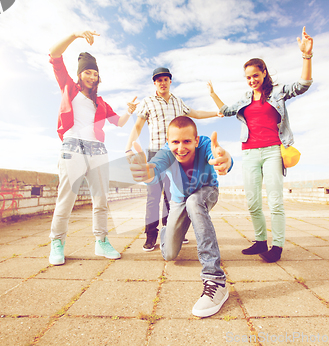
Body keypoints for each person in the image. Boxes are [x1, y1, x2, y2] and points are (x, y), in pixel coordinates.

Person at [207, 26, 314, 263]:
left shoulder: (278, 92)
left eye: (255, 75)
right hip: (250, 153)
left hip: (273, 151)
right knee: (253, 201)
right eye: (248, 77)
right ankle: (260, 240)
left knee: (275, 200)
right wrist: (213, 93)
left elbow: (303, 85)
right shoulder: (246, 99)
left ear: (264, 72)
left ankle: (277, 246)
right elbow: (225, 111)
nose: (252, 80)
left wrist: (306, 55)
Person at [48, 30, 138, 265]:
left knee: (101, 200)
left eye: (95, 73)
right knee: (66, 199)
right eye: (88, 72)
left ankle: (101, 241)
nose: (92, 76)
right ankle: (57, 243)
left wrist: (129, 110)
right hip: (73, 148)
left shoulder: (101, 102)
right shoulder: (69, 87)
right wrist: (75, 35)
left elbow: (118, 122)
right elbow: (54, 54)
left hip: (98, 150)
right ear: (79, 75)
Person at [129, 116, 233, 318]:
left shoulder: (205, 145)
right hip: (178, 200)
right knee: (169, 254)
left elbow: (221, 156)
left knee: (195, 202)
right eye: (175, 142)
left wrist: (226, 160)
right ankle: (169, 232)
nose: (181, 148)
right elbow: (154, 168)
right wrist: (145, 171)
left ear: (196, 140)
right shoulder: (167, 153)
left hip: (206, 191)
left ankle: (215, 279)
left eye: (187, 141)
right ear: (168, 142)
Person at [125, 67, 220, 252]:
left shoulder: (178, 102)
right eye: (158, 80)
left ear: (170, 81)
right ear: (155, 83)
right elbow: (138, 126)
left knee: (172, 197)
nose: (162, 82)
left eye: (165, 79)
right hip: (156, 154)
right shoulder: (148, 102)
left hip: (176, 154)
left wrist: (216, 113)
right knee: (153, 197)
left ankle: (173, 232)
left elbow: (196, 114)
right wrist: (129, 147)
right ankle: (151, 235)